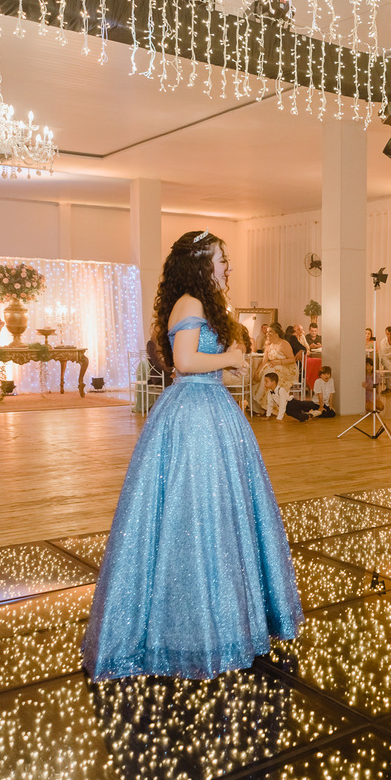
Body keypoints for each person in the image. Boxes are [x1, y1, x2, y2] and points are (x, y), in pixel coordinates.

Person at [82, 230, 303, 681]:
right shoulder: (191, 304)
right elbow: (184, 361)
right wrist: (231, 358)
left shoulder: (195, 304)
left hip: (209, 408)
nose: (228, 266)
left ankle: (220, 620)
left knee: (216, 511)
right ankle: (197, 627)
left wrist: (227, 361)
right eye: (222, 258)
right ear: (201, 261)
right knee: (200, 510)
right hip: (196, 415)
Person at [253, 324, 298, 414]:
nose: (267, 334)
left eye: (270, 332)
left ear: (277, 333)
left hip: (286, 368)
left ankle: (270, 407)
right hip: (273, 368)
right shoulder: (268, 344)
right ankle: (260, 405)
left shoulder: (283, 344)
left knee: (270, 374)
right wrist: (258, 371)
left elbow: (292, 360)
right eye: (267, 332)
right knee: (264, 374)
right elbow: (264, 361)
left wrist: (280, 362)